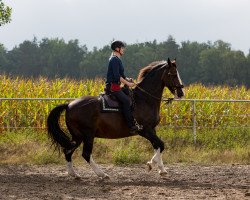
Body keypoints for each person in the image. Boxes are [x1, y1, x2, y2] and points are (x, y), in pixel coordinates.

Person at [105, 40, 140, 133]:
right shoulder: (114, 60)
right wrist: (128, 84)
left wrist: (128, 79)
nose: (123, 50)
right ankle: (130, 126)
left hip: (116, 86)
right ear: (117, 49)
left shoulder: (117, 59)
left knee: (130, 96)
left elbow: (122, 75)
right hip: (113, 87)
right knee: (126, 101)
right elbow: (117, 76)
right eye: (122, 48)